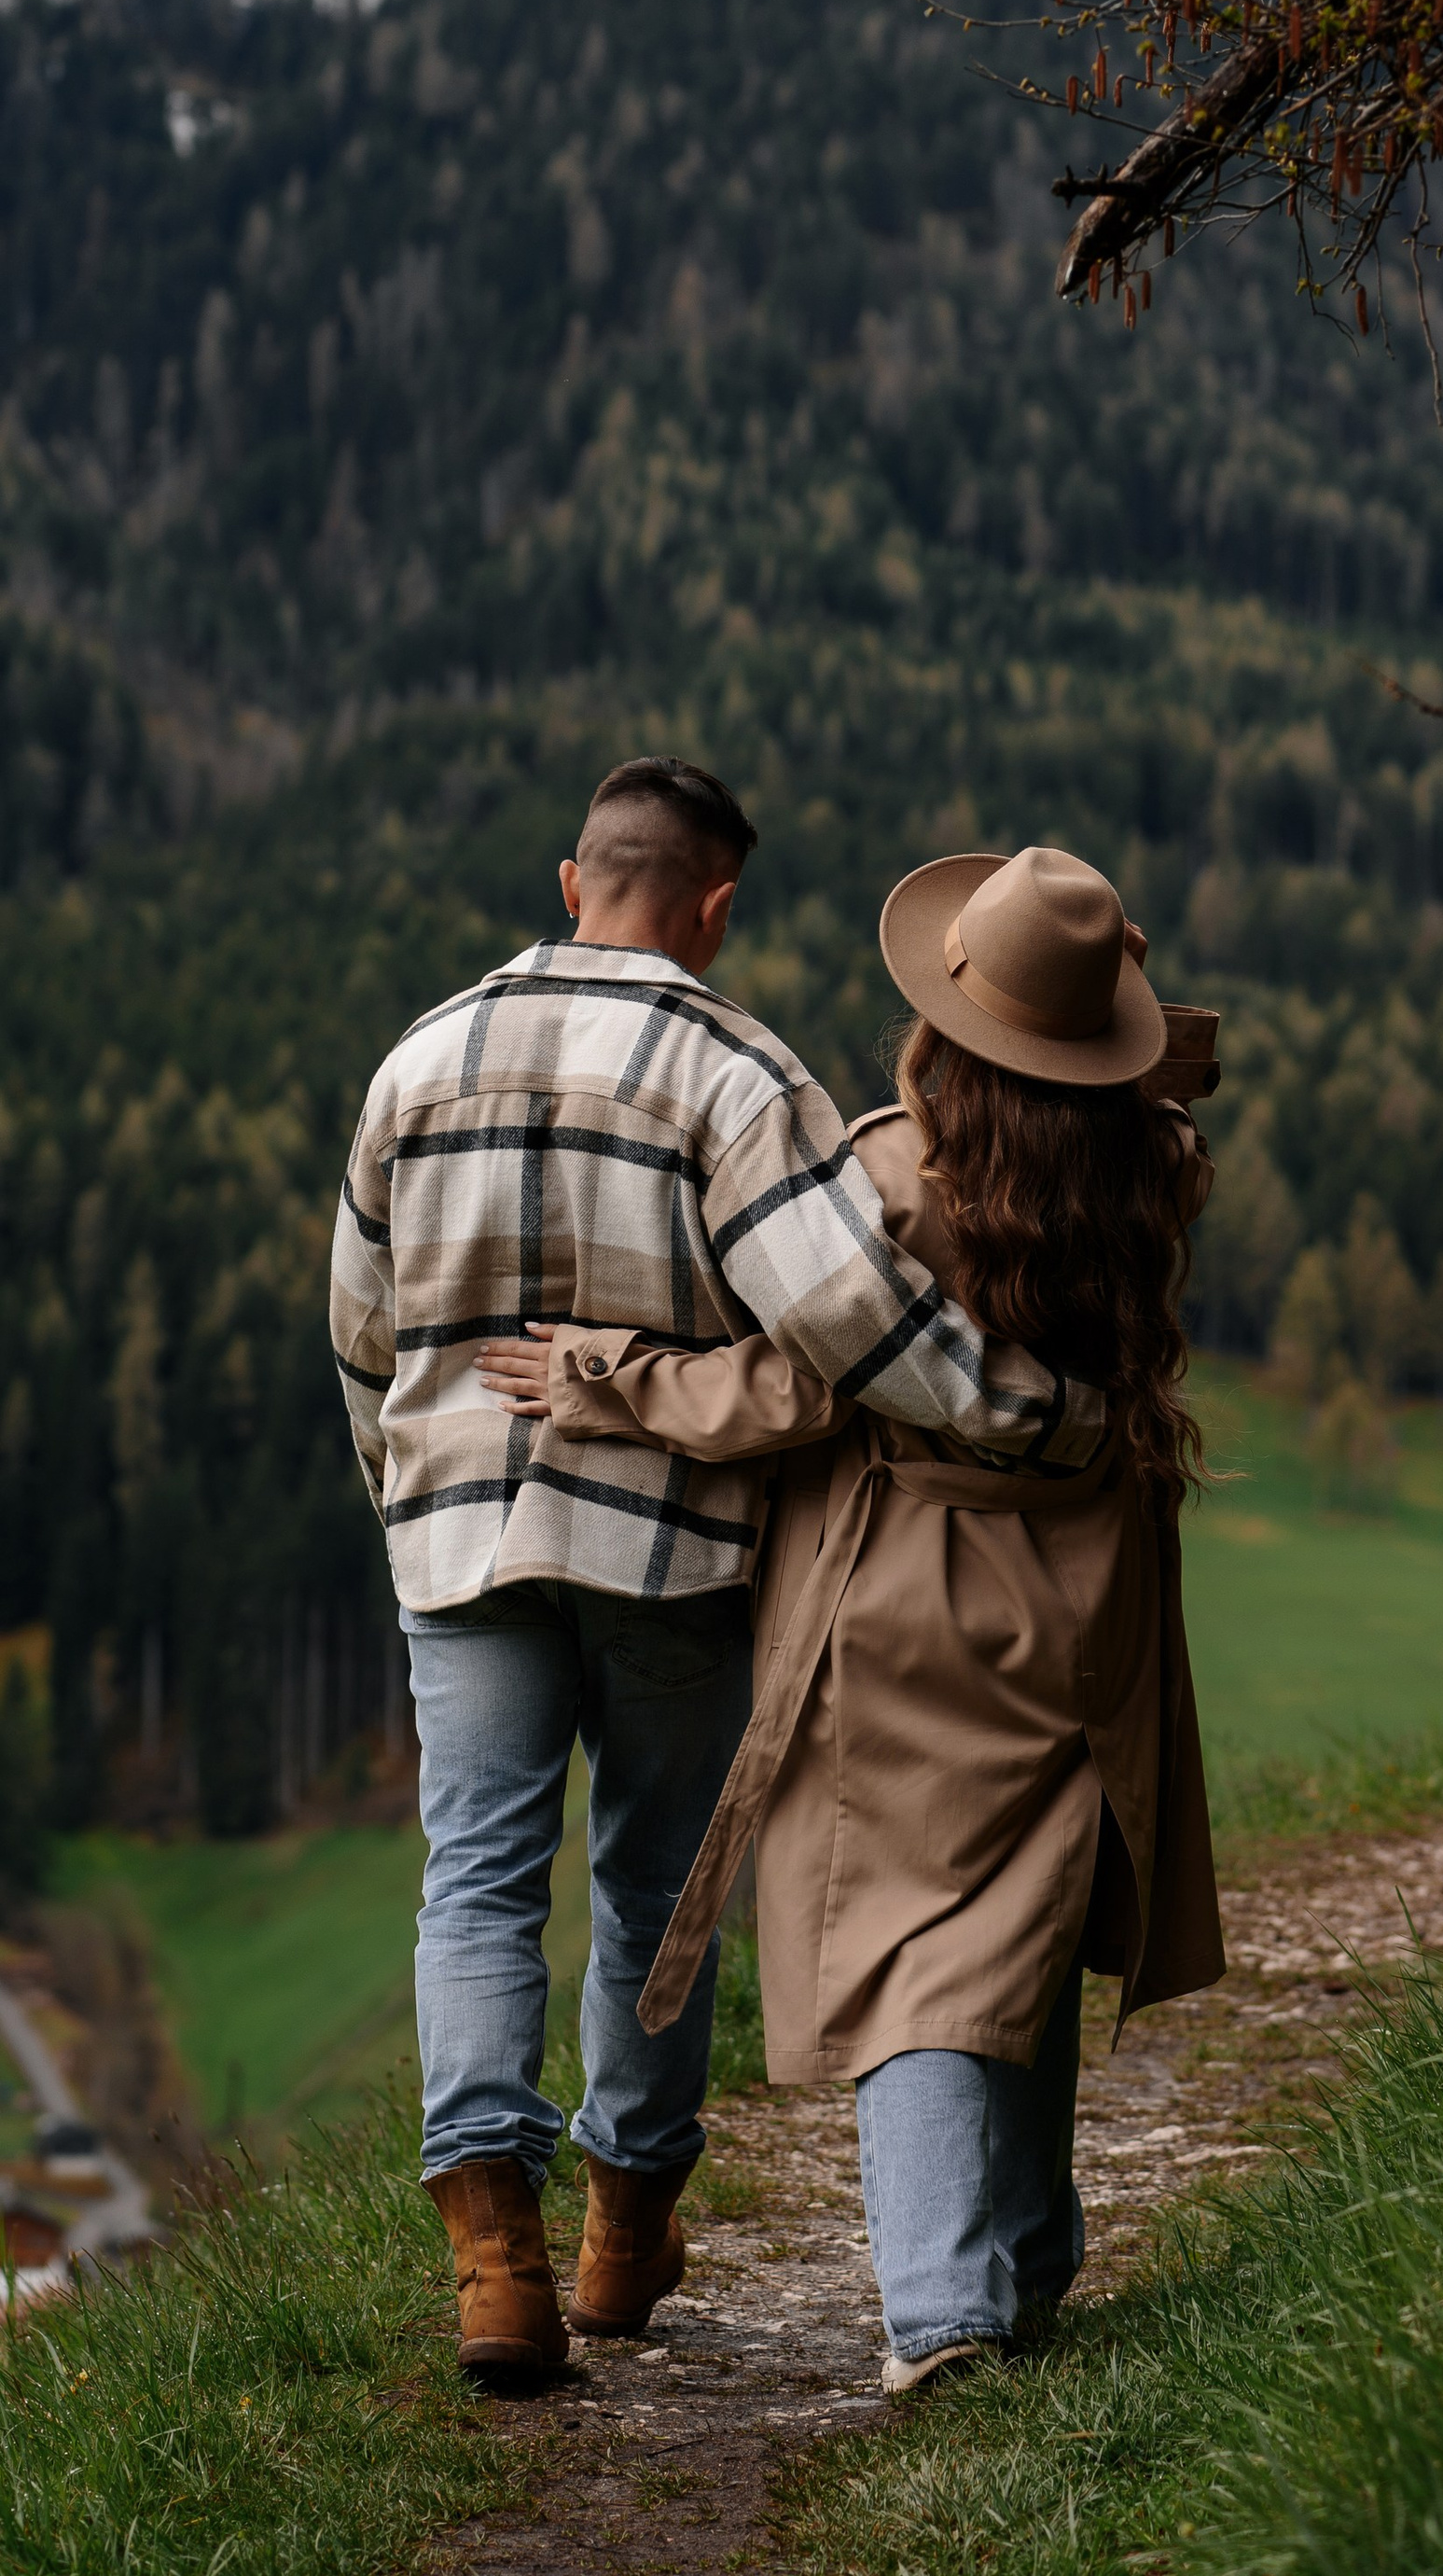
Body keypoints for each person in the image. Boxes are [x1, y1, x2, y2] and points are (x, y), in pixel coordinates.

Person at [329, 769, 1113, 2388]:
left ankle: (494, 2263)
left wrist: (411, 1498)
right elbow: (852, 1325)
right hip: (665, 1549)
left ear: (571, 878)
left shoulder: (417, 1060)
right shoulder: (734, 1069)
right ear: (717, 905)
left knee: (474, 1882)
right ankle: (625, 2233)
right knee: (650, 1891)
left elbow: (363, 1327)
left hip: (457, 1541)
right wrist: (1034, 1415)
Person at [475, 843, 1225, 2395]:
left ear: (950, 1021)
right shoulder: (1151, 1169)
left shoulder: (891, 1179)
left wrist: (609, 1377)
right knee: (1019, 1917)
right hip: (1086, 1585)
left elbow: (797, 1382)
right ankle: (1022, 2266)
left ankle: (942, 2313)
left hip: (910, 1588)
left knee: (909, 1947)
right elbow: (1150, 1093)